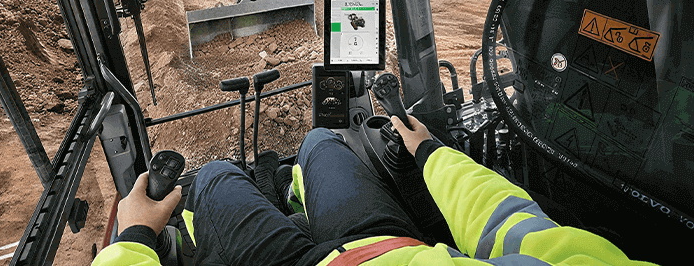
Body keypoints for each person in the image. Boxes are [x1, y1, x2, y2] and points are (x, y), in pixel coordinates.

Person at [93, 116, 656, 265]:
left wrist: (138, 234)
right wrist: (431, 153)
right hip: (387, 246)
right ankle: (294, 196)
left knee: (215, 174)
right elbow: (511, 223)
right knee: (319, 138)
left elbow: (509, 220)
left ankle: (282, 198)